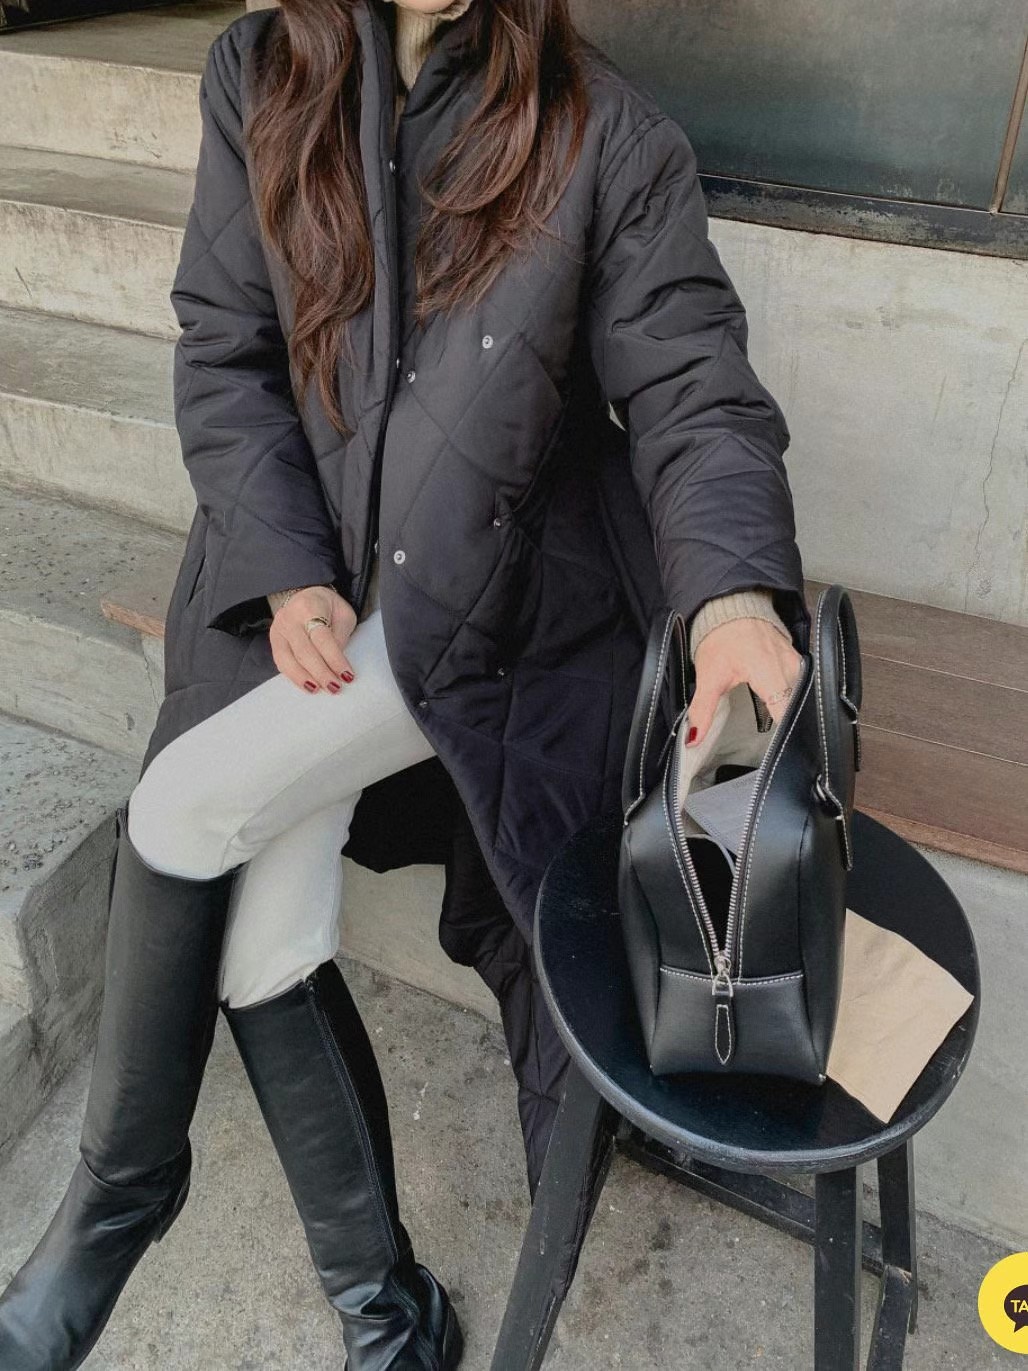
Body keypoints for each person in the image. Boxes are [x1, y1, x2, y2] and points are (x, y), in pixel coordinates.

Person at [0, 0, 807, 1365]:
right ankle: (389, 1311)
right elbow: (225, 346)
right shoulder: (260, 73)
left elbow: (693, 388)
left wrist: (731, 600)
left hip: (499, 605)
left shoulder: (603, 133)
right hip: (303, 581)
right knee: (262, 933)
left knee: (182, 811)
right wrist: (284, 570)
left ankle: (118, 1199)